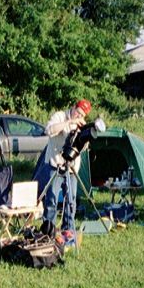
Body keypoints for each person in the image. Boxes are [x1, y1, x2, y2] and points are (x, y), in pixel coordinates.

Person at [34, 99, 92, 238]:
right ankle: (48, 231)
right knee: (51, 200)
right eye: (78, 113)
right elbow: (48, 130)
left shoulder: (81, 124)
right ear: (73, 107)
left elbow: (83, 148)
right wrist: (69, 123)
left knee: (71, 200)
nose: (78, 116)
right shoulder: (60, 116)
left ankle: (68, 231)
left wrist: (84, 134)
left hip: (72, 168)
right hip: (55, 163)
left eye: (82, 115)